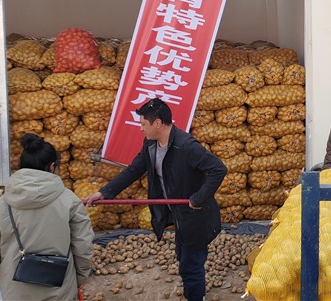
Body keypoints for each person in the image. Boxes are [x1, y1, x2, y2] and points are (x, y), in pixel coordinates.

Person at [84, 98, 227, 301]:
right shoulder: (151, 144)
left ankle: (196, 297)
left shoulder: (186, 146)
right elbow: (134, 170)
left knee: (191, 265)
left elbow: (218, 169)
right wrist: (105, 192)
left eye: (143, 124)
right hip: (179, 214)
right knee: (184, 256)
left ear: (158, 123)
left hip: (195, 215)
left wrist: (199, 198)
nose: (141, 128)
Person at [0, 134, 94, 301]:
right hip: (60, 287)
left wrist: (3, 280)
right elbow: (83, 245)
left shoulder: (0, 205)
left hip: (15, 289)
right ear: (52, 167)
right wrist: (79, 278)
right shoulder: (69, 201)